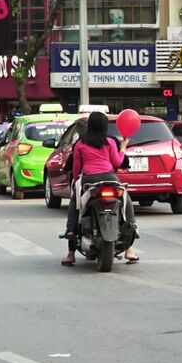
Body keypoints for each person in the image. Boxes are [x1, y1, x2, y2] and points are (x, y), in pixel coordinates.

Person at [60, 111, 139, 267]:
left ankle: (70, 248)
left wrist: (77, 183)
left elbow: (76, 169)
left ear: (89, 125)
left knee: (76, 204)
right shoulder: (109, 142)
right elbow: (117, 162)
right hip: (110, 179)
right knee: (125, 201)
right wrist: (123, 147)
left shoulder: (81, 143)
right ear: (105, 126)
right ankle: (130, 243)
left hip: (89, 180)